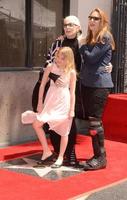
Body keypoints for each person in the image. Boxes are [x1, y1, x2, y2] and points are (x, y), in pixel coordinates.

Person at [32, 15, 82, 167]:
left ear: (78, 27)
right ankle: (55, 150)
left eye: (71, 24)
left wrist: (108, 66)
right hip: (55, 87)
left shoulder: (83, 42)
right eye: (66, 24)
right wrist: (54, 76)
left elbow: (89, 62)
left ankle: (70, 152)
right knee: (52, 121)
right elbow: (48, 61)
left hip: (74, 85)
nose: (67, 27)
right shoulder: (58, 42)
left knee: (69, 123)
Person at [22, 47, 77, 168]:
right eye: (57, 56)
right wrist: (40, 103)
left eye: (62, 58)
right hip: (50, 101)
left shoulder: (72, 72)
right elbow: (42, 85)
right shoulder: (51, 67)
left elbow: (72, 92)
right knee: (37, 124)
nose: (58, 60)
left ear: (68, 59)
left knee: (64, 131)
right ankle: (47, 151)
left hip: (64, 102)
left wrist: (72, 109)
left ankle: (61, 157)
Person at [79, 8, 115, 170]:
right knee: (92, 121)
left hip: (99, 85)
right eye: (90, 17)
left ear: (102, 21)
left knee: (95, 121)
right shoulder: (89, 38)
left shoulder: (105, 37)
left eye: (96, 18)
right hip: (88, 83)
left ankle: (101, 158)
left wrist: (81, 45)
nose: (92, 20)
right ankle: (97, 156)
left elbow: (92, 58)